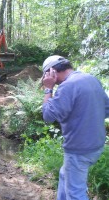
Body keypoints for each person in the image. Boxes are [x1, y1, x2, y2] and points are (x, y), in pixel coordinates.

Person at [41, 55, 109, 200]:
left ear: (52, 71)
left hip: (79, 150)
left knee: (75, 193)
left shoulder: (67, 86)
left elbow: (47, 116)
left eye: (46, 74)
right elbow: (106, 109)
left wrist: (48, 89)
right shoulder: (90, 79)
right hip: (96, 145)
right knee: (64, 174)